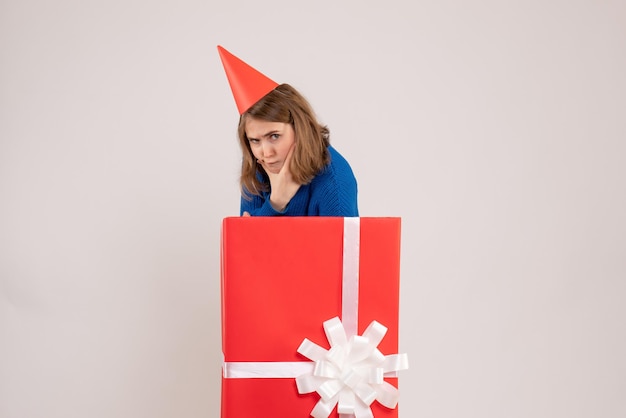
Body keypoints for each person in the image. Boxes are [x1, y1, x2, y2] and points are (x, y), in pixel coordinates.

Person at [218, 46, 359, 217]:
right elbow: (244, 242)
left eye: (274, 136)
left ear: (300, 128)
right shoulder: (256, 164)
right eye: (255, 140)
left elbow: (341, 244)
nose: (266, 153)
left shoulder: (334, 180)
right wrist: (276, 202)